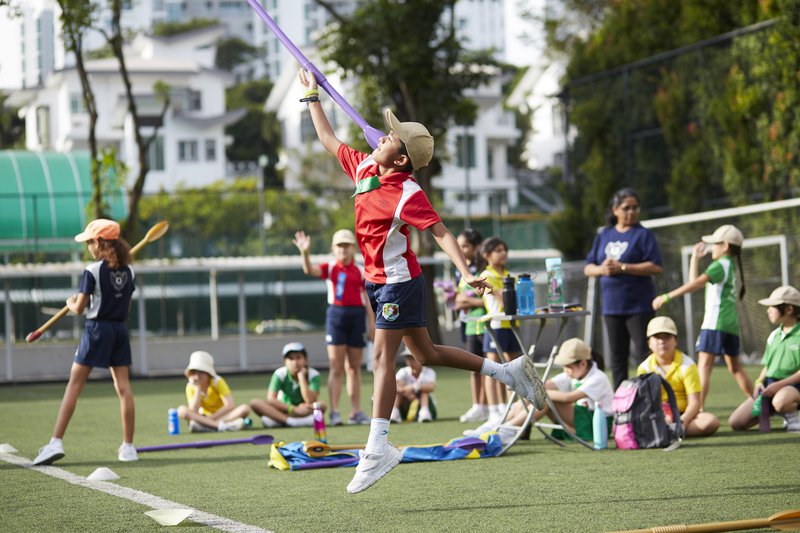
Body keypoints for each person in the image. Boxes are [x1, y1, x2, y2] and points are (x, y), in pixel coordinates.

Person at [298, 69, 545, 494]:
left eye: (390, 138)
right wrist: (311, 97)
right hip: (379, 282)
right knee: (426, 353)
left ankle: (378, 448)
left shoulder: (408, 192)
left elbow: (441, 232)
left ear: (399, 159)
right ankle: (508, 373)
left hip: (398, 282)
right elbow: (328, 140)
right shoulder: (363, 169)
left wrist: (466, 272)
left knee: (381, 359)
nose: (381, 137)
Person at [33, 219, 139, 465]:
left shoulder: (91, 271)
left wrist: (71, 302)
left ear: (100, 243)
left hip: (97, 329)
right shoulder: (130, 271)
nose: (88, 246)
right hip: (119, 330)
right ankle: (129, 447)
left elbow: (79, 309)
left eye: (90, 241)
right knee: (124, 388)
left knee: (74, 385)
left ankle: (55, 443)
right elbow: (127, 306)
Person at [653, 224, 752, 407]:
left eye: (715, 244)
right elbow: (695, 282)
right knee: (735, 368)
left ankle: (697, 410)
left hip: (715, 322)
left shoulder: (719, 265)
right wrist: (695, 260)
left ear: (725, 247)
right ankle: (758, 403)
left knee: (704, 366)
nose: (712, 247)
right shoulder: (729, 264)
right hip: (730, 323)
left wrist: (667, 296)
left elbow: (695, 284)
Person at [293, 228, 375, 426]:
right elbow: (308, 270)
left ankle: (356, 411)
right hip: (336, 317)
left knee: (354, 367)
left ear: (353, 248)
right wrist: (305, 252)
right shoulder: (330, 268)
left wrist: (372, 323)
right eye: (339, 246)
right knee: (336, 367)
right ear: (333, 249)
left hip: (356, 317)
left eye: (347, 246)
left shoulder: (362, 270)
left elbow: (367, 300)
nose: (343, 250)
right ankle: (335, 411)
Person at [584, 188, 663, 389]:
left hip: (639, 306)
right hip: (612, 307)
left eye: (635, 207)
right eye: (626, 208)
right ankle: (621, 403)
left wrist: (623, 267)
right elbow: (588, 268)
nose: (631, 212)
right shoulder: (604, 235)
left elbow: (655, 266)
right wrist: (603, 269)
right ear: (614, 209)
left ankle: (647, 398)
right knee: (618, 358)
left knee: (643, 355)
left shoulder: (643, 234)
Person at [498, 338, 613, 445]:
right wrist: (527, 387)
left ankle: (508, 430)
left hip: (596, 423)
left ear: (583, 363)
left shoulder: (598, 378)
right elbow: (544, 385)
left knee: (544, 399)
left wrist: (538, 392)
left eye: (568, 366)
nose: (565, 371)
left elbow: (568, 398)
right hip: (582, 419)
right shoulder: (573, 373)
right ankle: (499, 425)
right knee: (535, 396)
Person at [463, 237, 523, 437]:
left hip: (511, 324)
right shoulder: (486, 275)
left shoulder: (508, 275)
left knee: (515, 366)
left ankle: (513, 407)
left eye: (504, 249)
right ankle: (494, 409)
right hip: (495, 325)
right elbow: (500, 300)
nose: (502, 253)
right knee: (492, 367)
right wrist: (500, 293)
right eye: (498, 250)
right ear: (487, 255)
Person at [729, 286, 800, 431]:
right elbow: (768, 365)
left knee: (781, 401)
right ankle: (777, 408)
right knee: (736, 422)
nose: (768, 310)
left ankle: (793, 415)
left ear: (789, 309)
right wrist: (759, 382)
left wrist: (778, 386)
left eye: (772, 307)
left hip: (794, 386)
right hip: (770, 386)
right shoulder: (774, 335)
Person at [636, 316, 719, 437]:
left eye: (667, 336)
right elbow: (646, 404)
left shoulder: (688, 365)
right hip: (658, 415)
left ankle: (667, 432)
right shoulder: (644, 368)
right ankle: (668, 431)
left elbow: (695, 403)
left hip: (684, 415)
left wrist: (681, 422)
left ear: (675, 340)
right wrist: (663, 418)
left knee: (710, 421)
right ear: (649, 343)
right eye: (657, 337)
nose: (662, 341)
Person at [454, 228, 488, 424]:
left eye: (465, 246)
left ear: (476, 247)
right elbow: (458, 298)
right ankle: (477, 405)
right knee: (472, 367)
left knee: (486, 366)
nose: (461, 249)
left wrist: (468, 302)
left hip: (484, 325)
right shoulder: (461, 268)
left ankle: (489, 405)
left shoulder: (483, 268)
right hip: (468, 325)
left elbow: (486, 299)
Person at [250, 342, 324, 428]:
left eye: (298, 358)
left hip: (304, 410)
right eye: (291, 359)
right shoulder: (279, 374)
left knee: (322, 405)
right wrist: (293, 409)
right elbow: (271, 399)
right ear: (285, 361)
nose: (295, 362)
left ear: (305, 359)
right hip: (284, 410)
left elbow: (310, 400)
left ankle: (281, 421)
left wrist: (301, 377)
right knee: (255, 403)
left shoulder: (314, 375)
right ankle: (291, 421)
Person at [178, 351, 251, 432]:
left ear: (208, 373)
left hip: (222, 416)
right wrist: (198, 389)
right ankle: (223, 426)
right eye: (194, 372)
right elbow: (193, 411)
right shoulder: (191, 386)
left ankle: (209, 426)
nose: (197, 376)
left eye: (201, 372)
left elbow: (230, 405)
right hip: (204, 417)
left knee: (245, 408)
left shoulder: (217, 381)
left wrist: (210, 419)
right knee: (182, 410)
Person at [391, 349, 437, 423]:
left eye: (413, 358)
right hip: (407, 404)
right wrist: (408, 393)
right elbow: (396, 387)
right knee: (398, 394)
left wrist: (414, 387)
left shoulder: (429, 372)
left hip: (427, 404)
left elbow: (431, 388)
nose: (410, 362)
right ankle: (394, 413)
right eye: (408, 358)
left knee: (424, 392)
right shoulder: (403, 372)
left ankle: (424, 413)